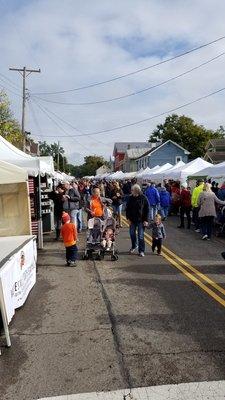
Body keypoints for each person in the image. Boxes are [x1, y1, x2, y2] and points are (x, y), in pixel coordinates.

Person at [126, 184, 149, 257]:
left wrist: (146, 220)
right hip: (132, 220)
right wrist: (128, 218)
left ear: (136, 191)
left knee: (140, 236)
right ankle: (134, 246)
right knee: (132, 234)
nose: (131, 191)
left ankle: (141, 250)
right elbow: (127, 209)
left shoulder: (143, 198)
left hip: (141, 220)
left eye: (132, 190)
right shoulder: (130, 198)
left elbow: (147, 209)